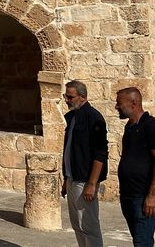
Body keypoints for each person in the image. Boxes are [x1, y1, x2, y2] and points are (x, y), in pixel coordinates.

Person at [61, 80, 108, 247]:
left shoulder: (94, 118)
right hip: (72, 178)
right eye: (66, 96)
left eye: (70, 97)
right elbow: (70, 150)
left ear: (82, 97)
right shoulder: (72, 117)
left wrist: (92, 183)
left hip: (84, 180)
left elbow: (100, 154)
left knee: (89, 226)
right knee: (77, 225)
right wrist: (66, 179)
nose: (67, 99)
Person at [115, 87, 155, 247]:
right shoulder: (130, 127)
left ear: (133, 103)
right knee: (138, 240)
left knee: (142, 242)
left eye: (119, 103)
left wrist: (152, 196)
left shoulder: (151, 126)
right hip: (128, 195)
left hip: (143, 196)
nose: (116, 107)